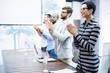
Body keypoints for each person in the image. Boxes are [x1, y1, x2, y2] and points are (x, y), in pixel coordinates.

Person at [67, 1, 100, 73]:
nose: (81, 11)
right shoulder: (82, 25)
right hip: (80, 64)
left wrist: (76, 34)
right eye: (80, 9)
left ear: (90, 10)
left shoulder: (95, 26)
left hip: (90, 65)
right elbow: (78, 46)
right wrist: (74, 34)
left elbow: (89, 47)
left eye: (83, 9)